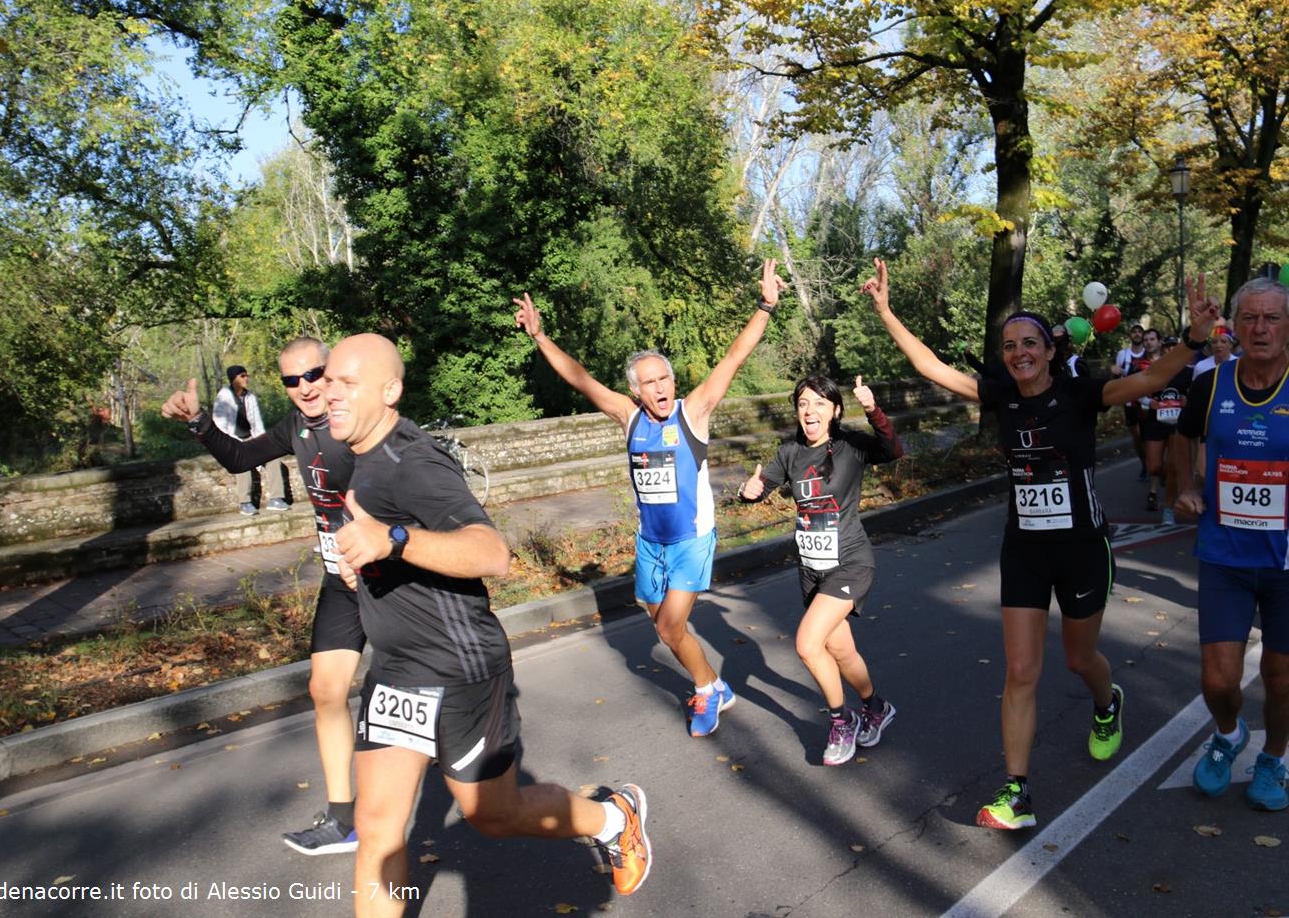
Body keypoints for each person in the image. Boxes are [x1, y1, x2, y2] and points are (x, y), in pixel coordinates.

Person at [864, 258, 1217, 830]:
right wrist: (885, 311)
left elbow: (1152, 379)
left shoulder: (1081, 394)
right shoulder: (1001, 397)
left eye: (1030, 343)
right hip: (1025, 551)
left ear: (1051, 351)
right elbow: (930, 366)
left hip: (1082, 550)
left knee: (1080, 659)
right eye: (1009, 346)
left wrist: (1195, 338)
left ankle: (1107, 703)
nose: (1019, 352)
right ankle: (1017, 793)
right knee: (1021, 671)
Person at [324, 334, 651, 916]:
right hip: (397, 671)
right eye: (329, 381)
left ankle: (612, 818)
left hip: (460, 670)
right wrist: (365, 563)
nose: (330, 394)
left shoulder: (414, 462)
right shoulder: (360, 458)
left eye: (347, 383)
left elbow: (491, 553)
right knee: (376, 829)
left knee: (493, 815)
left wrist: (393, 540)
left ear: (390, 391)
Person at [512, 261, 783, 737]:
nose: (659, 388)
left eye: (664, 379)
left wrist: (764, 306)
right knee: (659, 620)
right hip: (650, 542)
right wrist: (540, 337)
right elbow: (580, 379)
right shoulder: (629, 416)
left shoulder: (692, 412)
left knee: (670, 629)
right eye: (649, 383)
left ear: (673, 383)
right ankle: (714, 684)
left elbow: (733, 359)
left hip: (691, 540)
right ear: (635, 391)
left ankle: (706, 692)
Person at [161, 338, 365, 855]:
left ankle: (476, 775)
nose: (305, 388)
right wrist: (199, 422)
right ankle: (344, 821)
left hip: (389, 579)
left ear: (332, 371)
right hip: (340, 580)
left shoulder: (361, 420)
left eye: (313, 374)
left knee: (416, 697)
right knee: (325, 691)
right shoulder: (295, 427)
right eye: (292, 380)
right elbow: (240, 459)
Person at [738, 374, 903, 765]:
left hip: (851, 562)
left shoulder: (851, 446)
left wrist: (874, 410)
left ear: (835, 410)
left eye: (819, 403)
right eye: (803, 404)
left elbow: (893, 449)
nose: (810, 411)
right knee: (842, 651)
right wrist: (750, 492)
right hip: (812, 569)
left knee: (807, 644)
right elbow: (763, 485)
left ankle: (841, 720)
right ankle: (876, 707)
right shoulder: (790, 452)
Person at [1173, 275, 1289, 813]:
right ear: (1234, 326)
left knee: (1281, 680)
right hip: (1225, 555)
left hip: (1286, 562)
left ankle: (1273, 758)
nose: (1261, 328)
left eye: (1272, 318)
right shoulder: (1211, 384)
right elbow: (1183, 435)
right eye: (1250, 318)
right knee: (1218, 681)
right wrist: (1185, 487)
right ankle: (1227, 734)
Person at [213, 364, 288, 515]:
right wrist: (237, 443)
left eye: (247, 375)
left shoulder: (250, 397)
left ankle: (276, 499)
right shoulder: (223, 397)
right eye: (242, 376)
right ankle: (245, 503)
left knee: (273, 458)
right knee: (242, 463)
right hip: (233, 442)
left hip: (251, 440)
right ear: (233, 379)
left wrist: (263, 443)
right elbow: (220, 426)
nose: (246, 378)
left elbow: (257, 423)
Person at [1136, 333, 1194, 522]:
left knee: (1172, 467)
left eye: (1173, 346)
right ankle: (1168, 478)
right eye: (1167, 347)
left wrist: (1188, 401)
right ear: (1163, 349)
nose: (1170, 350)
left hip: (1177, 424)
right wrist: (1149, 402)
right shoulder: (1155, 369)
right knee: (1154, 467)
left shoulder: (1189, 371)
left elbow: (1196, 395)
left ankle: (1168, 509)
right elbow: (1137, 391)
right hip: (1155, 422)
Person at [1112, 325, 1148, 480]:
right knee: (1137, 437)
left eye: (1140, 331)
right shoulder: (1123, 354)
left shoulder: (1148, 352)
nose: (1137, 334)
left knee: (1148, 435)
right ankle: (1145, 464)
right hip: (1130, 401)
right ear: (1130, 335)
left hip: (1148, 400)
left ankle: (1154, 465)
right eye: (1134, 332)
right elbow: (1117, 377)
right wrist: (1115, 373)